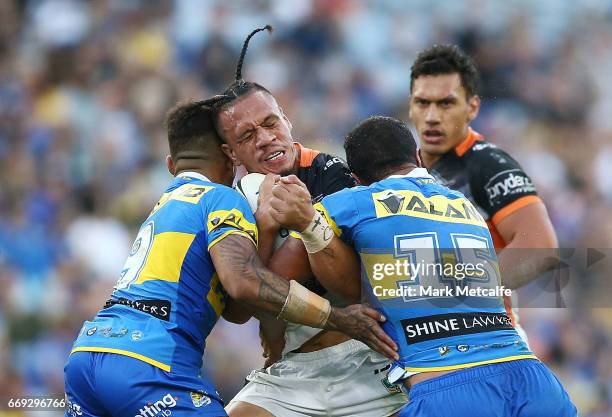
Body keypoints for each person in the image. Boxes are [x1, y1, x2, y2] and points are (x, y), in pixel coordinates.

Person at [63, 101, 397, 417]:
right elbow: (243, 283)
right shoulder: (220, 198)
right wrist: (339, 318)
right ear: (229, 155)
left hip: (86, 357)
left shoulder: (164, 205)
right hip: (147, 361)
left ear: (170, 165)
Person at [269, 115, 577, 417]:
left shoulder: (350, 202)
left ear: (358, 179)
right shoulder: (466, 206)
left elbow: (277, 278)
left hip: (445, 389)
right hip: (531, 378)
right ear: (419, 158)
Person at [201, 26, 407, 417]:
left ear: (287, 121)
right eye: (247, 135)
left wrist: (263, 284)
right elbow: (239, 310)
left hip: (363, 359)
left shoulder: (333, 174)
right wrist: (263, 227)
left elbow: (344, 284)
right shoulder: (230, 202)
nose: (265, 138)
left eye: (270, 123)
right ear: (231, 152)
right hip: (291, 373)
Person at [407, 44, 559, 292]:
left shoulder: (489, 164)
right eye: (423, 103)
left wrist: (461, 297)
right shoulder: (401, 166)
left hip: (478, 328)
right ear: (410, 106)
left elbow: (541, 248)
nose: (432, 116)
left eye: (446, 103)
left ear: (472, 108)